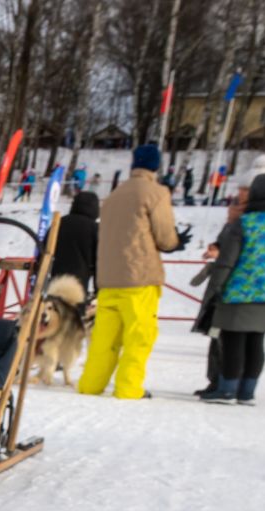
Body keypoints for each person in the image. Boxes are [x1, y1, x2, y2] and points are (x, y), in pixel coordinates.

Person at [79, 142, 189, 401]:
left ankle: (90, 385)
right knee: (139, 336)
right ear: (156, 166)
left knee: (104, 340)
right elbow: (164, 236)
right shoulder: (156, 192)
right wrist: (176, 242)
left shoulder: (115, 193)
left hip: (108, 279)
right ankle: (129, 389)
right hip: (139, 277)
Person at [193, 171, 265, 403]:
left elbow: (227, 260)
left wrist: (216, 288)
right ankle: (247, 391)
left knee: (232, 340)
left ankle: (227, 388)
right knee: (256, 340)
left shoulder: (245, 224)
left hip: (239, 291)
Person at [48, 189, 99, 293]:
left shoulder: (59, 223)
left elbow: (45, 250)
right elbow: (99, 259)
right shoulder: (94, 228)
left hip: (54, 281)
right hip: (78, 286)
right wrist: (97, 288)